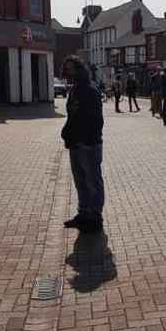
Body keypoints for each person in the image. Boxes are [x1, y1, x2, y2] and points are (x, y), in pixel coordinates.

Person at [61, 56, 105, 233]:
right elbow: (73, 116)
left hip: (88, 144)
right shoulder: (75, 90)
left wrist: (87, 139)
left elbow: (96, 120)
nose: (68, 73)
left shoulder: (90, 90)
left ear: (80, 70)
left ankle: (95, 217)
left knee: (93, 181)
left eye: (71, 69)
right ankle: (83, 213)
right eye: (67, 69)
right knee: (80, 181)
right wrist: (67, 133)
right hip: (75, 143)